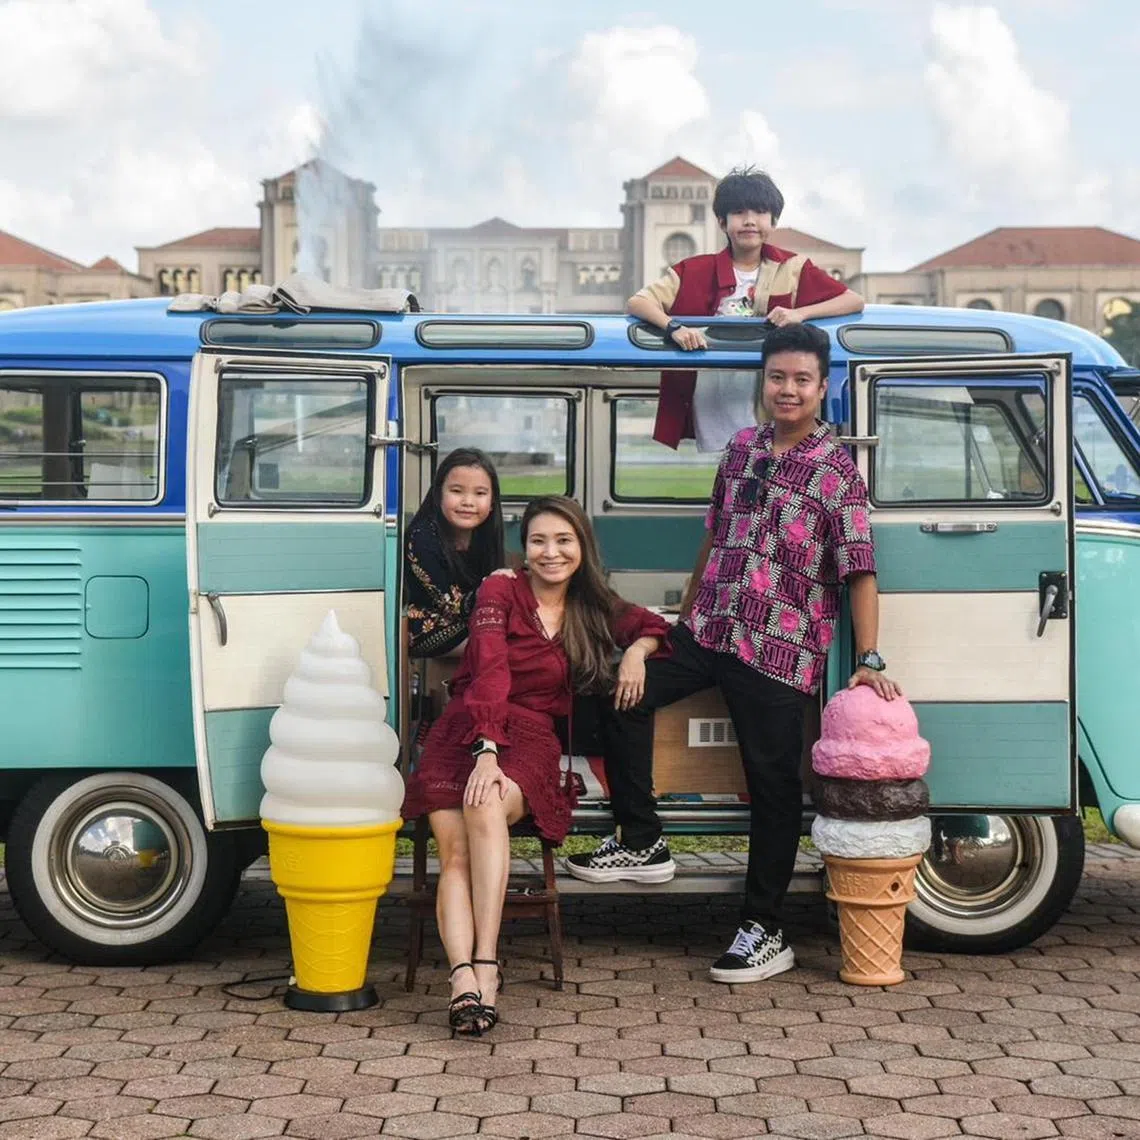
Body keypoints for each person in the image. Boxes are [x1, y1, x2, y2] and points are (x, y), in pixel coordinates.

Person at [566, 323, 901, 985]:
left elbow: (860, 569)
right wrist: (680, 617)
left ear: (822, 386)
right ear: (763, 381)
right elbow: (713, 539)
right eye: (777, 377)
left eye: (802, 379)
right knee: (616, 690)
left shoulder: (838, 473)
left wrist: (871, 657)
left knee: (773, 787)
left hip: (780, 649)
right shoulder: (741, 449)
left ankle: (764, 928)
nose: (788, 389)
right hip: (708, 631)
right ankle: (642, 838)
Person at [402, 496, 669, 1035]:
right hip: (468, 729)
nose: (551, 553)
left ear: (581, 547)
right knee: (455, 851)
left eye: (563, 541)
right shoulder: (500, 590)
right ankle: (463, 981)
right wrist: (485, 751)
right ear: (524, 548)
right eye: (539, 541)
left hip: (532, 738)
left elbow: (652, 623)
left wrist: (637, 652)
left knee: (484, 808)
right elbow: (491, 672)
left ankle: (486, 966)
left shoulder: (594, 604)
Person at [627, 166, 865, 451]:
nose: (750, 221)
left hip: (770, 395)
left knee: (774, 467)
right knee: (729, 472)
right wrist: (674, 328)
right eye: (739, 213)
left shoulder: (793, 268)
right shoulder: (693, 270)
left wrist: (799, 314)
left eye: (760, 213)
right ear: (722, 221)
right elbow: (638, 302)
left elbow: (853, 300)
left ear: (773, 221)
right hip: (714, 394)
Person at [405, 448, 505, 657]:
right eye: (457, 491)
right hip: (427, 625)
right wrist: (500, 588)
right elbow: (454, 605)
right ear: (438, 494)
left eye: (480, 493)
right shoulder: (422, 536)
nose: (468, 502)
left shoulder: (485, 534)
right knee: (510, 640)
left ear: (492, 501)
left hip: (472, 619)